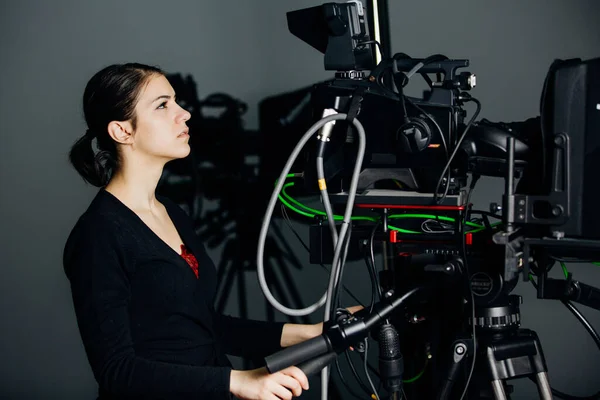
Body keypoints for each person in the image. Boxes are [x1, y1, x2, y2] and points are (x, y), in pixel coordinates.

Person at [63, 63, 360, 400]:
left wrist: (314, 332)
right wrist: (239, 381)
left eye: (176, 102)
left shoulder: (172, 212)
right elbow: (117, 371)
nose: (184, 114)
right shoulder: (98, 235)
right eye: (163, 105)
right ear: (122, 131)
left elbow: (205, 326)